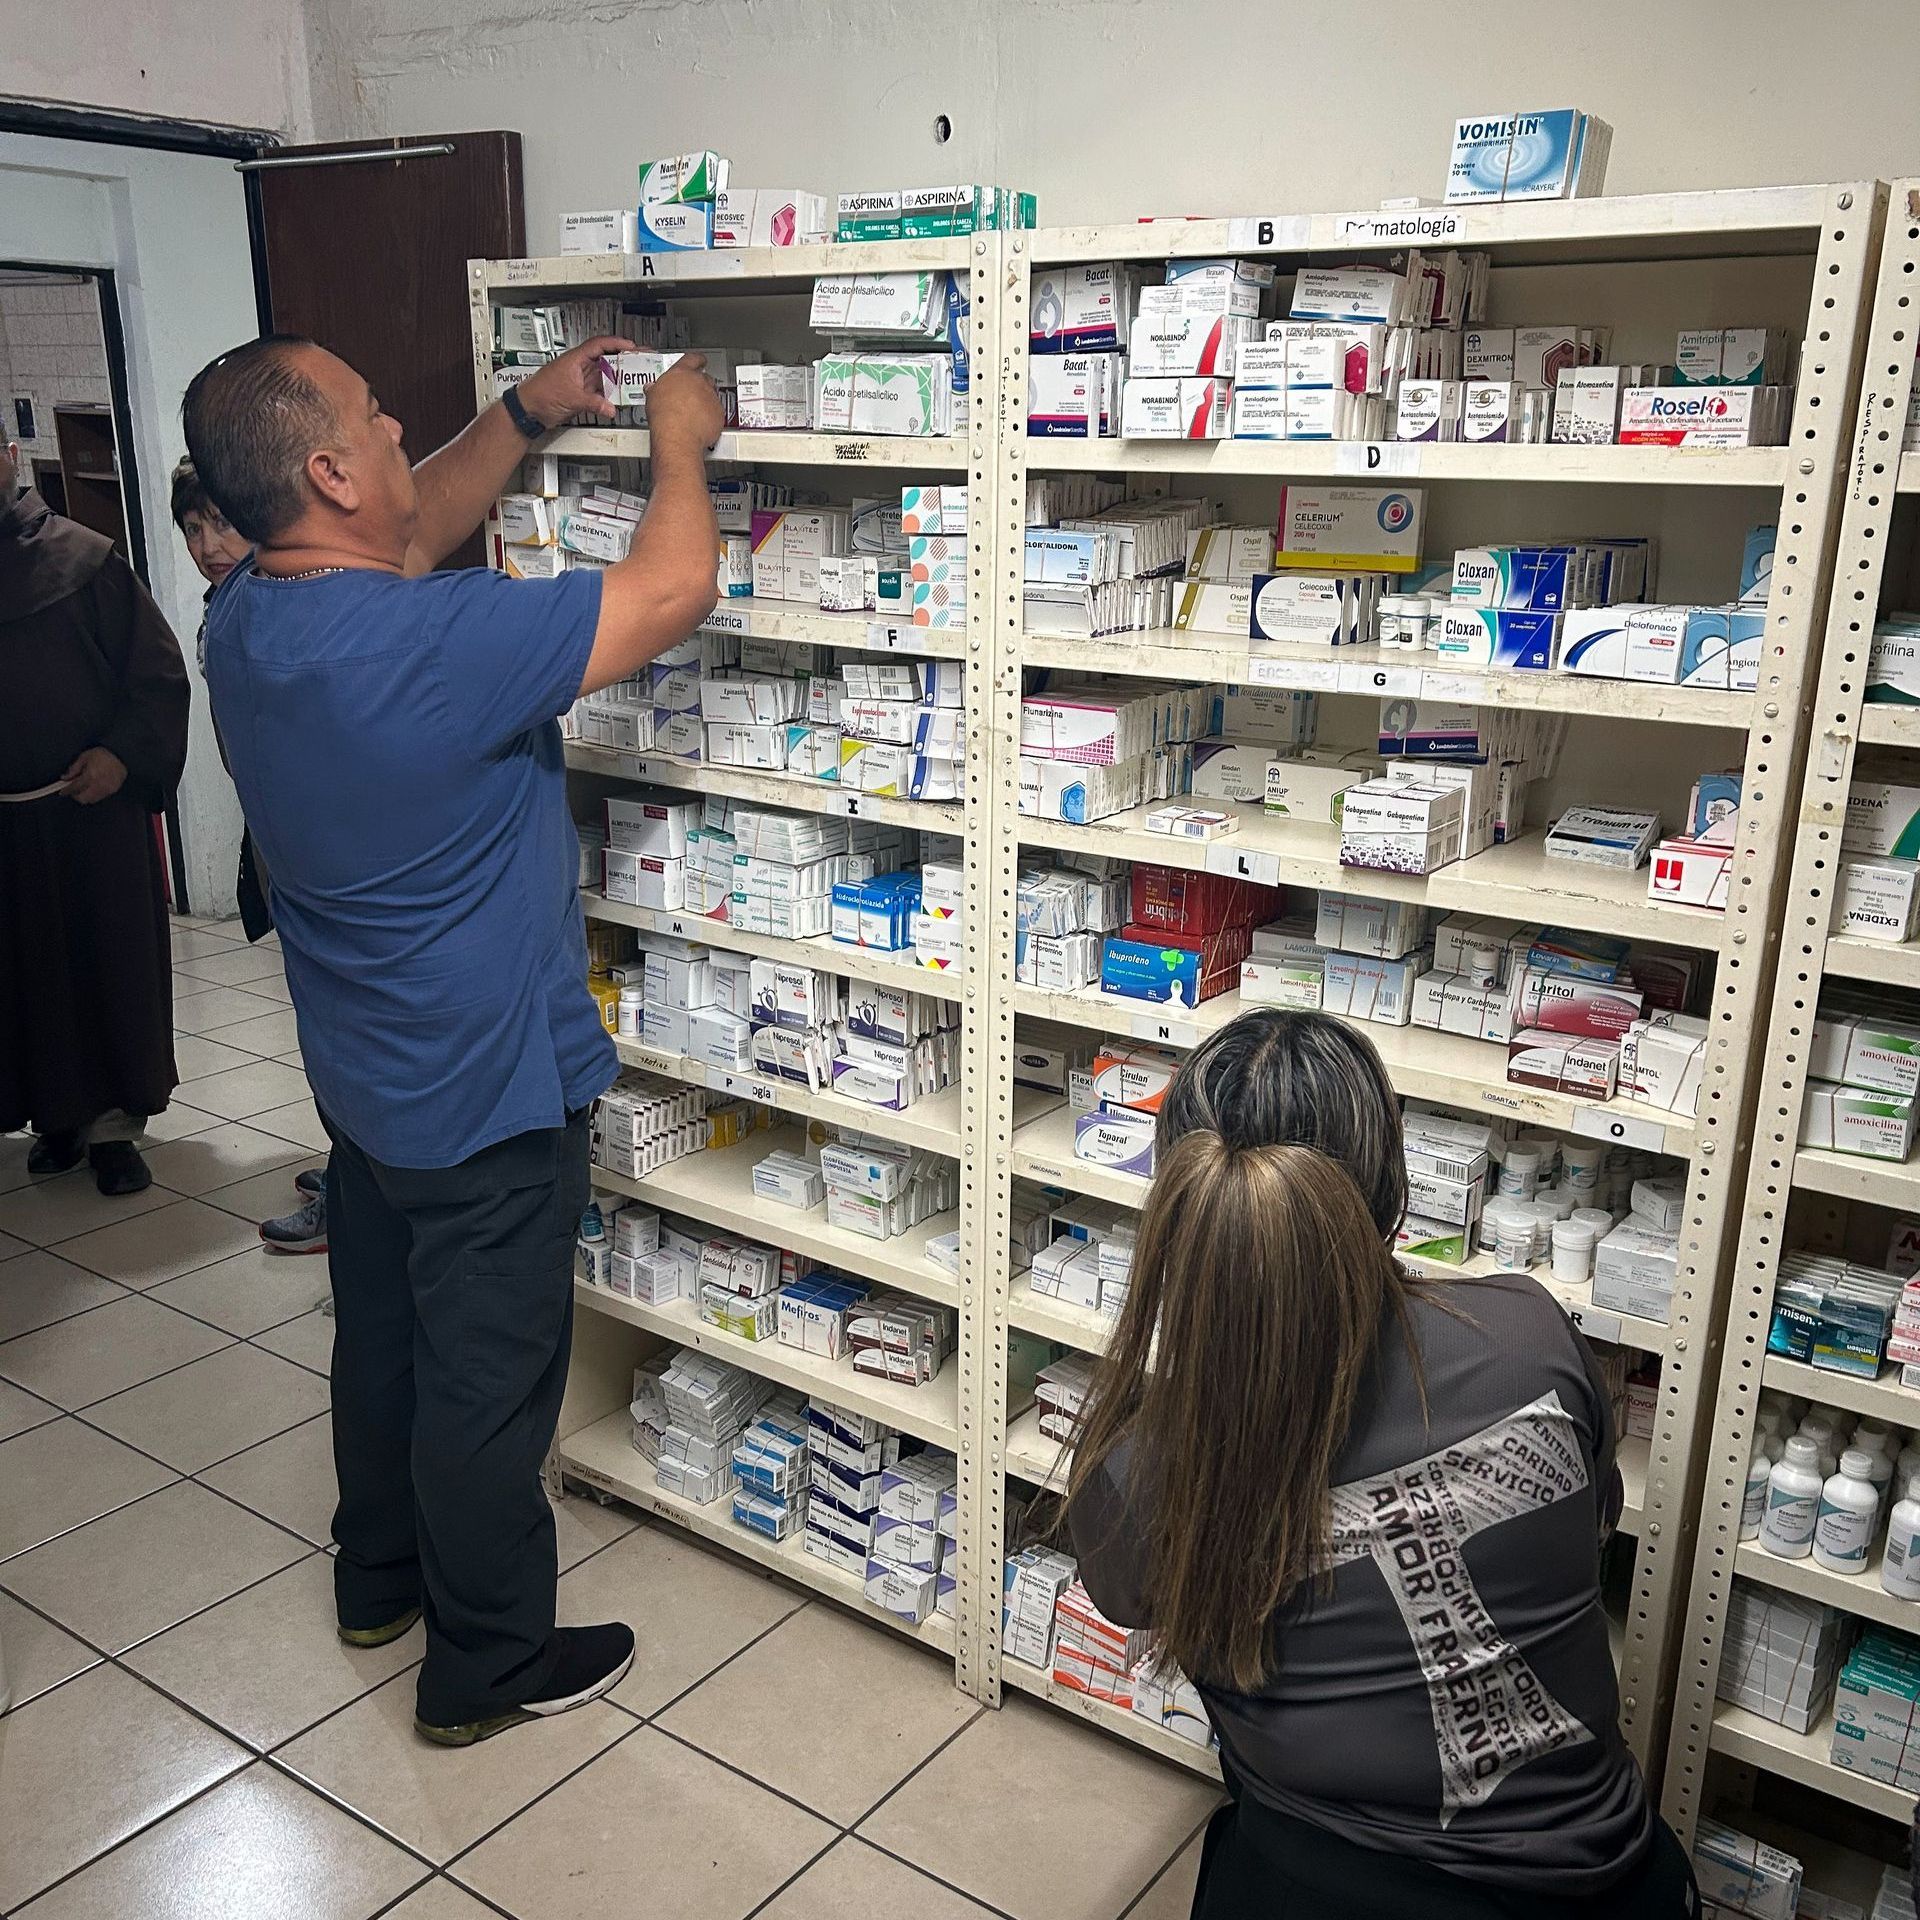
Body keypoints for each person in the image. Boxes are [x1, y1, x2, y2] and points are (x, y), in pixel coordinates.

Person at [182, 330, 724, 1746]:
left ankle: (379, 1584)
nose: (394, 427)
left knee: (386, 1345)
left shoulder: (244, 619)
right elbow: (671, 586)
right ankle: (487, 1663)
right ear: (325, 467)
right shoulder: (441, 646)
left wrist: (529, 412)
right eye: (373, 416)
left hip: (366, 1090)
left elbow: (397, 524)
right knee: (489, 1389)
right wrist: (680, 437)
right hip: (488, 1099)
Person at [1063, 1010, 1696, 1919]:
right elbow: (1591, 1518)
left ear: (1183, 1211)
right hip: (1613, 1888)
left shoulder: (1142, 1466)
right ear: (1396, 1199)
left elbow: (1137, 1600)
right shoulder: (1529, 1334)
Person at [0, 436, 190, 1196]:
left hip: (89, 814)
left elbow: (157, 675)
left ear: (9, 454)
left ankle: (115, 1127)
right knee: (28, 975)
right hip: (6, 831)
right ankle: (56, 1118)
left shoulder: (84, 560)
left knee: (105, 964)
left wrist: (119, 756)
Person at [170, 456, 327, 1257]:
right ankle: (354, 1168)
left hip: (316, 849)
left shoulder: (279, 607)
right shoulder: (223, 608)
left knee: (339, 1024)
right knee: (314, 1017)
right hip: (273, 837)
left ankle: (358, 1188)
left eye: (222, 524)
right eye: (193, 529)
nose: (207, 543)